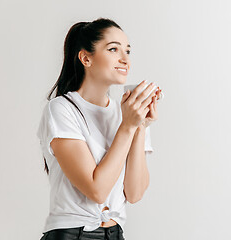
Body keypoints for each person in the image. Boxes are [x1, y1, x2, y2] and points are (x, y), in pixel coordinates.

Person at [36, 18, 161, 240]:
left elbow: (134, 193)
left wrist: (140, 127)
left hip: (114, 233)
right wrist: (128, 126)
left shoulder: (127, 113)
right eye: (113, 49)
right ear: (86, 58)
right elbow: (97, 190)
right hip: (72, 233)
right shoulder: (62, 109)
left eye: (128, 51)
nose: (125, 59)